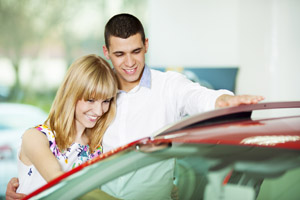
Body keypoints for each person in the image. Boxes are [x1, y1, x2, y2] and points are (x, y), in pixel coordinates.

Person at [6, 14, 264, 199]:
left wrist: (221, 100)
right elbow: (61, 178)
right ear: (107, 52)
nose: (129, 62)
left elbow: (196, 97)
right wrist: (28, 183)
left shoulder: (169, 86)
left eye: (136, 51)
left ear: (146, 46)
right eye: (119, 54)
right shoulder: (96, 95)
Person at [8, 54, 118, 197]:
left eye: (106, 101)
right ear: (72, 94)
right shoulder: (35, 137)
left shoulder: (97, 146)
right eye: (91, 100)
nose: (99, 111)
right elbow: (60, 183)